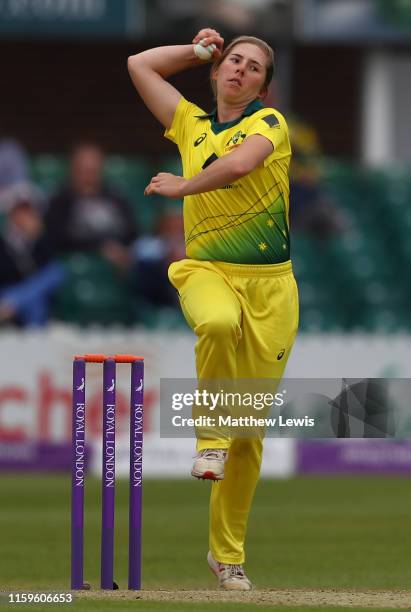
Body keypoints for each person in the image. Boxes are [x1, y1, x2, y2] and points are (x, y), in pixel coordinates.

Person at [128, 28, 298, 590]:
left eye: (253, 68)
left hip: (272, 289)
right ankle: (207, 442)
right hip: (206, 272)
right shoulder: (191, 124)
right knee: (217, 321)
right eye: (233, 61)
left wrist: (183, 186)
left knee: (250, 435)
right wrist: (197, 50)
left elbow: (241, 166)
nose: (240, 71)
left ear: (262, 87)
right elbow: (140, 65)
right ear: (218, 69)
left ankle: (227, 557)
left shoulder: (268, 125)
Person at [45, 143, 138, 272]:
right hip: (75, 264)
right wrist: (100, 247)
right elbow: (56, 237)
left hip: (120, 258)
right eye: (84, 169)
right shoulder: (60, 201)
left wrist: (120, 248)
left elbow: (133, 231)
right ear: (73, 169)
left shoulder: (116, 198)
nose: (88, 175)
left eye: (92, 169)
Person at [0, 182, 65, 326]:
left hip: (24, 301)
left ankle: (16, 303)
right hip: (6, 293)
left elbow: (49, 274)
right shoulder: (3, 241)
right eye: (20, 210)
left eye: (28, 211)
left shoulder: (42, 240)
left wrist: (37, 238)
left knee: (55, 273)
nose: (24, 216)